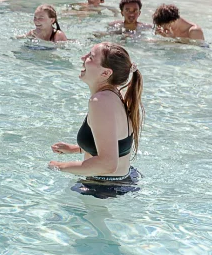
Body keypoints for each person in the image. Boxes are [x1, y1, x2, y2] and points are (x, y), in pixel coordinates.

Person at [49, 42, 144, 197]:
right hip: (120, 181)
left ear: (105, 73)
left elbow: (107, 164)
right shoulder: (113, 95)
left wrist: (60, 166)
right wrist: (75, 149)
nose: (83, 58)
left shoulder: (100, 102)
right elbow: (112, 143)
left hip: (102, 188)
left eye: (91, 57)